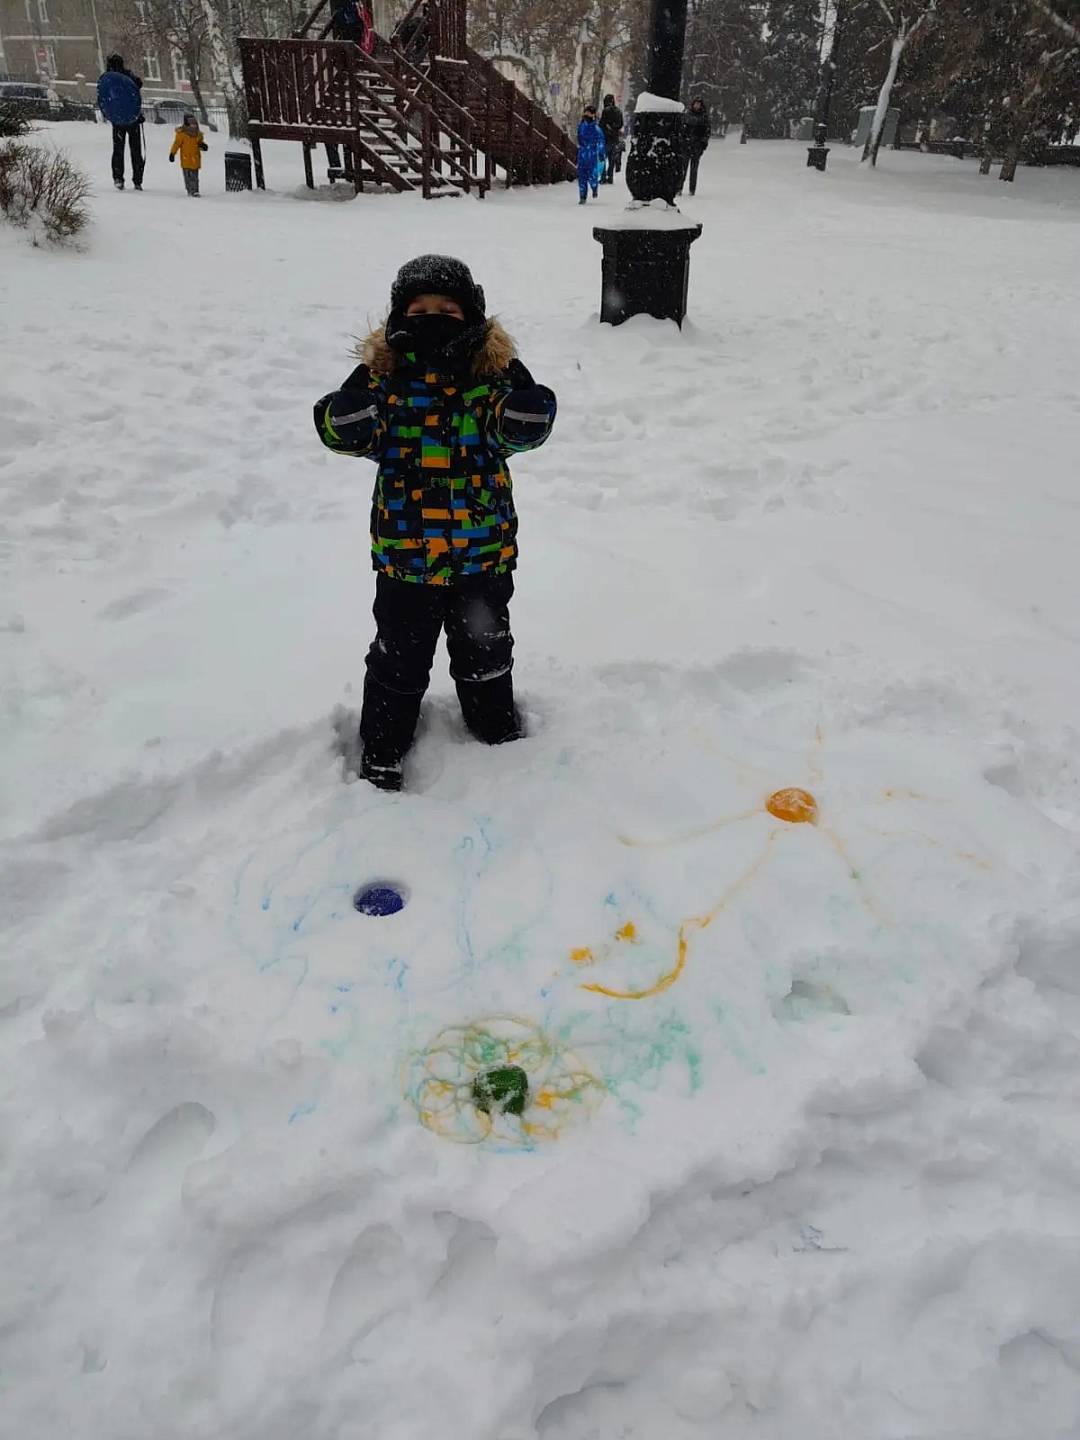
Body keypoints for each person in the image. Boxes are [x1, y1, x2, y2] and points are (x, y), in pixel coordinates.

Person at [313, 255, 557, 792]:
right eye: (419, 309)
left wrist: (528, 413)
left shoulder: (489, 379)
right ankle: (383, 742)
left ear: (471, 317)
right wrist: (344, 417)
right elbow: (347, 430)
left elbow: (516, 430)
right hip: (406, 558)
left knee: (485, 647)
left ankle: (493, 725)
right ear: (400, 316)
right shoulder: (385, 381)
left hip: (481, 554)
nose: (433, 318)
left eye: (448, 310)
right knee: (398, 657)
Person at [103, 53, 145, 192]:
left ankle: (118, 178)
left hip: (118, 120)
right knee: (136, 151)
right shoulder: (128, 76)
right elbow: (138, 85)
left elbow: (104, 98)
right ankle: (137, 180)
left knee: (118, 150)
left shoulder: (108, 79)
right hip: (132, 118)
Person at [168, 114, 209, 196]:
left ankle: (195, 190)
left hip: (195, 159)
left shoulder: (198, 134)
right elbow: (176, 144)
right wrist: (172, 153)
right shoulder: (182, 134)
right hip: (186, 159)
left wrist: (203, 146)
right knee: (187, 176)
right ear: (186, 123)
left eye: (194, 123)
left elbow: (199, 143)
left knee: (194, 177)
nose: (194, 125)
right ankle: (189, 189)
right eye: (191, 123)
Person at [679, 95, 711, 196]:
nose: (697, 106)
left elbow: (707, 132)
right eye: (695, 104)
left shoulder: (704, 117)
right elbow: (681, 130)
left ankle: (692, 190)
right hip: (686, 146)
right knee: (682, 169)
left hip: (697, 147)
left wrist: (703, 144)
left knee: (694, 170)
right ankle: (679, 188)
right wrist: (682, 141)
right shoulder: (687, 115)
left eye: (699, 104)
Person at [576, 104, 605, 204]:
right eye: (586, 112)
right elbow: (579, 138)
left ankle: (594, 187)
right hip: (582, 153)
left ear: (593, 115)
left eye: (589, 113)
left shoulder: (596, 128)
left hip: (592, 154)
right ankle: (582, 196)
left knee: (592, 175)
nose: (587, 114)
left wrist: (601, 153)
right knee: (582, 176)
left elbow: (601, 141)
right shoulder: (581, 126)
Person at [599, 93, 624, 184]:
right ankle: (610, 177)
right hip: (614, 138)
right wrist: (614, 128)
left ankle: (603, 177)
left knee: (602, 159)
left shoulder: (605, 111)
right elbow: (621, 124)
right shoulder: (618, 111)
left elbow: (601, 124)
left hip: (605, 139)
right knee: (612, 159)